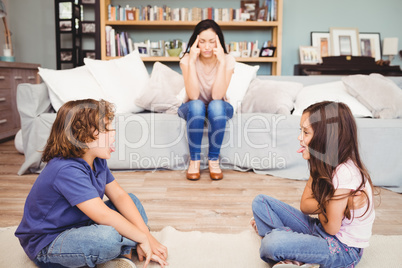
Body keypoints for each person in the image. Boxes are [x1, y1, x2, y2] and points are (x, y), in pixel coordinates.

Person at [15, 99, 168, 268]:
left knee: (132, 201)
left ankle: (124, 249)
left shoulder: (96, 159)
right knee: (106, 239)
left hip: (81, 223)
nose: (113, 132)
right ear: (81, 137)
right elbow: (103, 215)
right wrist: (142, 237)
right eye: (106, 129)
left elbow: (119, 195)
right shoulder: (65, 169)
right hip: (48, 242)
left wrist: (147, 236)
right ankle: (123, 248)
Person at [251, 101, 375, 268]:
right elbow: (305, 206)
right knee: (261, 202)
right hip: (321, 230)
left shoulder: (345, 172)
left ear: (325, 137)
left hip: (343, 249)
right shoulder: (323, 163)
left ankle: (287, 247)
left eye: (306, 132)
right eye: (300, 130)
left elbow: (331, 228)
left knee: (271, 243)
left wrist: (330, 203)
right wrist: (331, 201)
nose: (299, 138)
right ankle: (294, 251)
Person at [178, 19, 236, 181]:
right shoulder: (187, 59)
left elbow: (217, 96)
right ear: (196, 42)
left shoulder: (228, 60)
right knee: (197, 105)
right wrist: (191, 62)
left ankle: (213, 160)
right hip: (192, 107)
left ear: (219, 41)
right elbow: (193, 95)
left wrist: (222, 63)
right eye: (202, 41)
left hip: (218, 107)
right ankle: (195, 161)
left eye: (212, 41)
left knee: (216, 105)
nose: (207, 46)